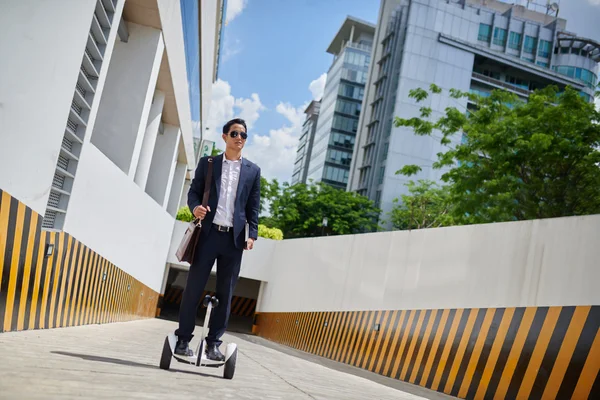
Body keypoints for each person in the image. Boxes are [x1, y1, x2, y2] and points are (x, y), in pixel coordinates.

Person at [174, 118, 260, 361]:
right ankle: (183, 339)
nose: (239, 138)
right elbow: (194, 192)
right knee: (193, 289)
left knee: (226, 293)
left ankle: (213, 344)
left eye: (243, 134)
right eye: (234, 133)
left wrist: (252, 235)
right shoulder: (208, 163)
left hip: (234, 241)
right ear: (225, 137)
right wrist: (195, 208)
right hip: (208, 236)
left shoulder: (253, 171)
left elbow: (253, 206)